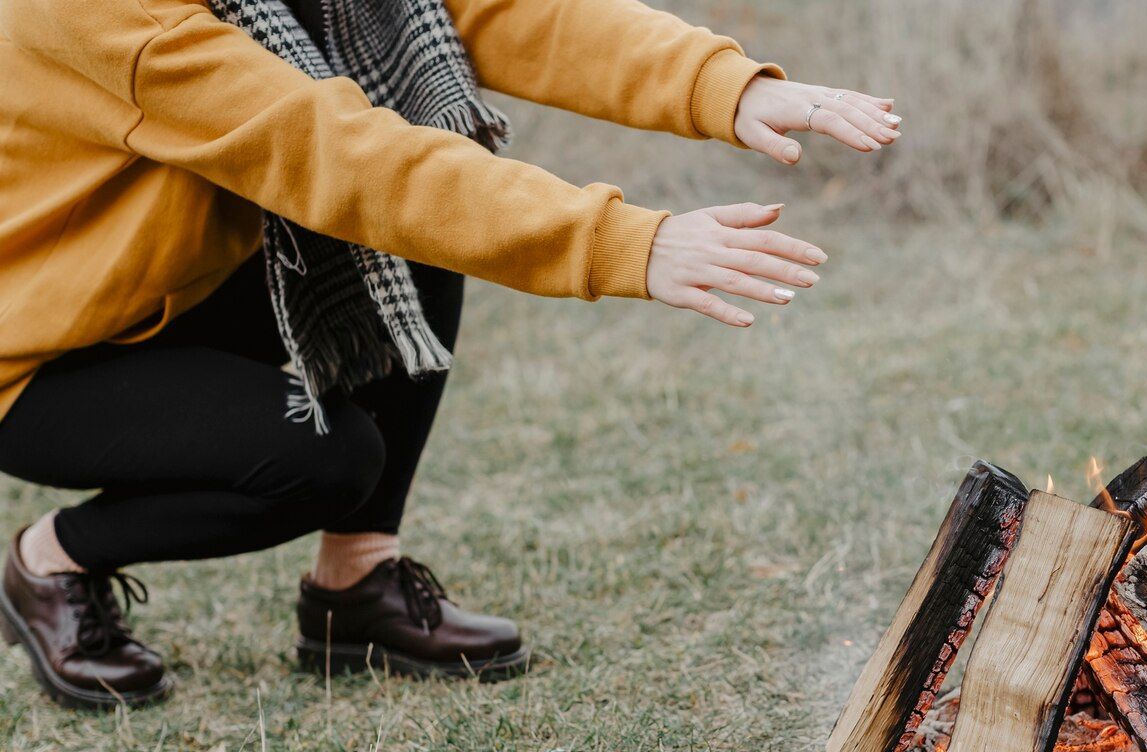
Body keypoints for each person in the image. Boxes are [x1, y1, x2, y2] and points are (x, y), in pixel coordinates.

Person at [0, 0, 899, 709]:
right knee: (324, 460)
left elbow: (500, 11)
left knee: (410, 236)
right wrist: (624, 243)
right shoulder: (100, 12)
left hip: (175, 287)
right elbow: (333, 151)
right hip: (38, 349)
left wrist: (724, 87)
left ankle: (354, 588)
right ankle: (50, 561)